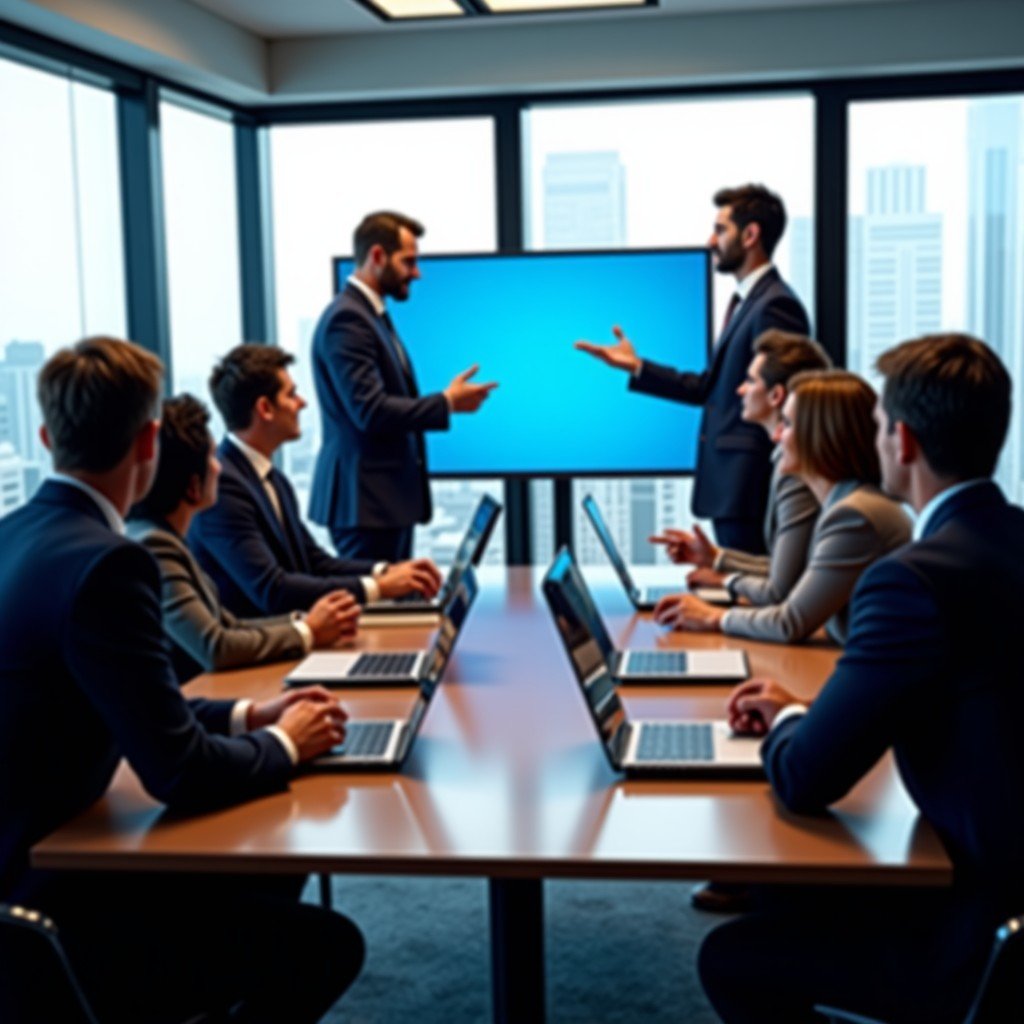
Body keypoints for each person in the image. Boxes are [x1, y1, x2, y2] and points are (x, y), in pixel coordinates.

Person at [0, 337, 364, 1024]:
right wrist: (287, 744)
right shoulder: (111, 564)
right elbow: (178, 772)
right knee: (326, 945)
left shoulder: (15, 533)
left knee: (275, 861)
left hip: (28, 863)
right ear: (149, 443)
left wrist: (249, 716)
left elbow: (134, 703)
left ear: (48, 435)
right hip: (59, 893)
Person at [699, 334, 1024, 1024]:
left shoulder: (910, 580)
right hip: (1008, 883)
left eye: (878, 427)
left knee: (731, 959)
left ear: (902, 441)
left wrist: (789, 721)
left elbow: (805, 778)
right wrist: (812, 704)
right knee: (787, 893)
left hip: (976, 922)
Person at [576, 184, 811, 553]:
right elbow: (709, 388)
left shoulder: (775, 306)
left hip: (749, 488)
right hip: (734, 490)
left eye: (721, 230)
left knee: (751, 594)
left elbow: (783, 401)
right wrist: (637, 367)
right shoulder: (750, 302)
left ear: (750, 235)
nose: (710, 240)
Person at [654, 370, 911, 644]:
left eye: (786, 424)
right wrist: (718, 562)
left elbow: (789, 622)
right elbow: (794, 577)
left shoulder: (854, 515)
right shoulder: (846, 502)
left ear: (820, 436)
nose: (776, 436)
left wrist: (712, 617)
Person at [190, 343, 443, 618]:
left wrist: (385, 571)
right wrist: (378, 587)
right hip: (258, 652)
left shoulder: (271, 479)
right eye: (292, 395)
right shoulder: (224, 487)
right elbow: (273, 590)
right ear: (265, 408)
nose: (302, 403)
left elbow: (313, 561)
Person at [128, 394, 362, 684]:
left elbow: (230, 625)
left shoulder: (168, 539)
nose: (219, 467)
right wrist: (309, 631)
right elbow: (215, 646)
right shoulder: (155, 545)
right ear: (192, 486)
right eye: (212, 458)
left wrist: (307, 622)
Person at [308, 210, 498, 562]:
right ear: (377, 256)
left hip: (381, 504)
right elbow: (371, 411)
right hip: (365, 505)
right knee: (376, 612)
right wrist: (446, 403)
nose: (417, 273)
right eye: (408, 262)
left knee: (395, 608)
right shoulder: (348, 320)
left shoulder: (370, 315)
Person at [651, 329, 830, 607]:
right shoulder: (785, 459)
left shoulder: (796, 472)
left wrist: (722, 582)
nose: (739, 389)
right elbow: (784, 571)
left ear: (776, 395)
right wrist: (715, 558)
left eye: (749, 380)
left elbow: (784, 586)